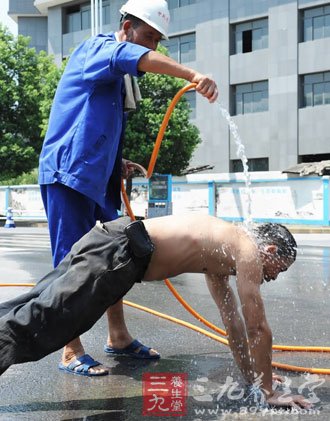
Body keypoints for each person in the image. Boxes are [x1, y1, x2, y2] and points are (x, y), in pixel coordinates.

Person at [38, 0, 218, 376]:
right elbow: (133, 56)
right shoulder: (98, 48)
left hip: (97, 178)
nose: (151, 47)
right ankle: (70, 350)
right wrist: (192, 74)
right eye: (148, 36)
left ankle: (118, 337)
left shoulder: (118, 79)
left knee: (116, 255)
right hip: (68, 174)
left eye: (156, 40)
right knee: (72, 262)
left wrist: (116, 164)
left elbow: (94, 124)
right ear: (126, 26)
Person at [0, 214, 311, 408]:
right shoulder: (246, 251)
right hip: (116, 253)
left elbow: (235, 326)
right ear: (269, 251)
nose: (273, 277)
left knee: (31, 307)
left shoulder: (221, 253)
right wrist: (269, 392)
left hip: (111, 243)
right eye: (278, 269)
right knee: (40, 326)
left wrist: (257, 377)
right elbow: (258, 328)